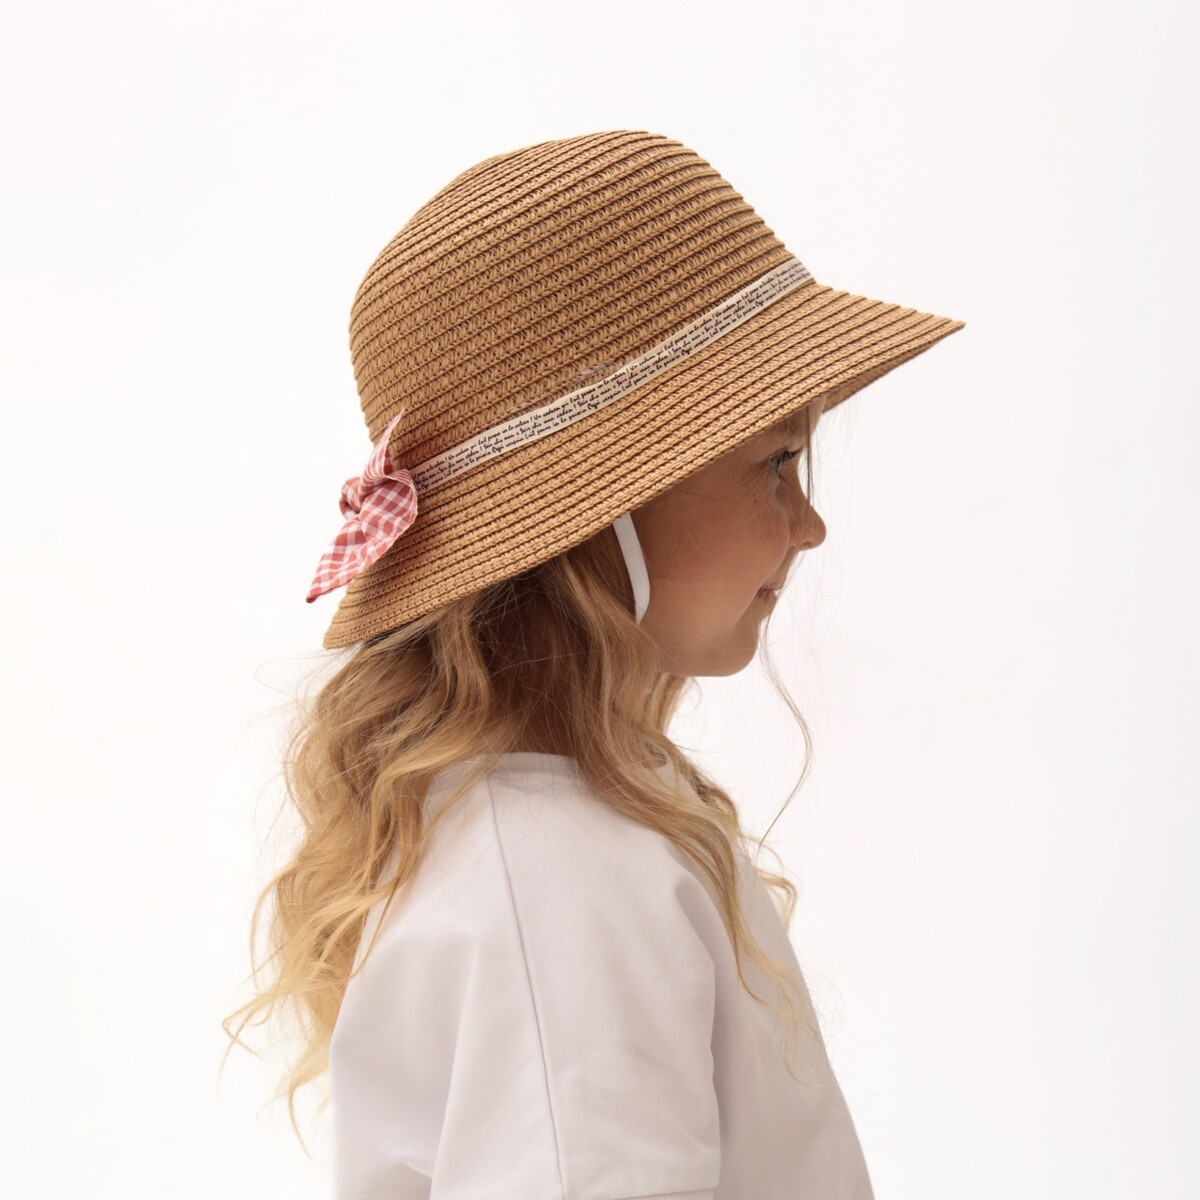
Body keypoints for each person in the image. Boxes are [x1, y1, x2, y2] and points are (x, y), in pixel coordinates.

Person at [224, 130, 964, 1199]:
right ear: (600, 516)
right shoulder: (560, 882)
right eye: (777, 459)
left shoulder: (547, 840)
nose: (809, 526)